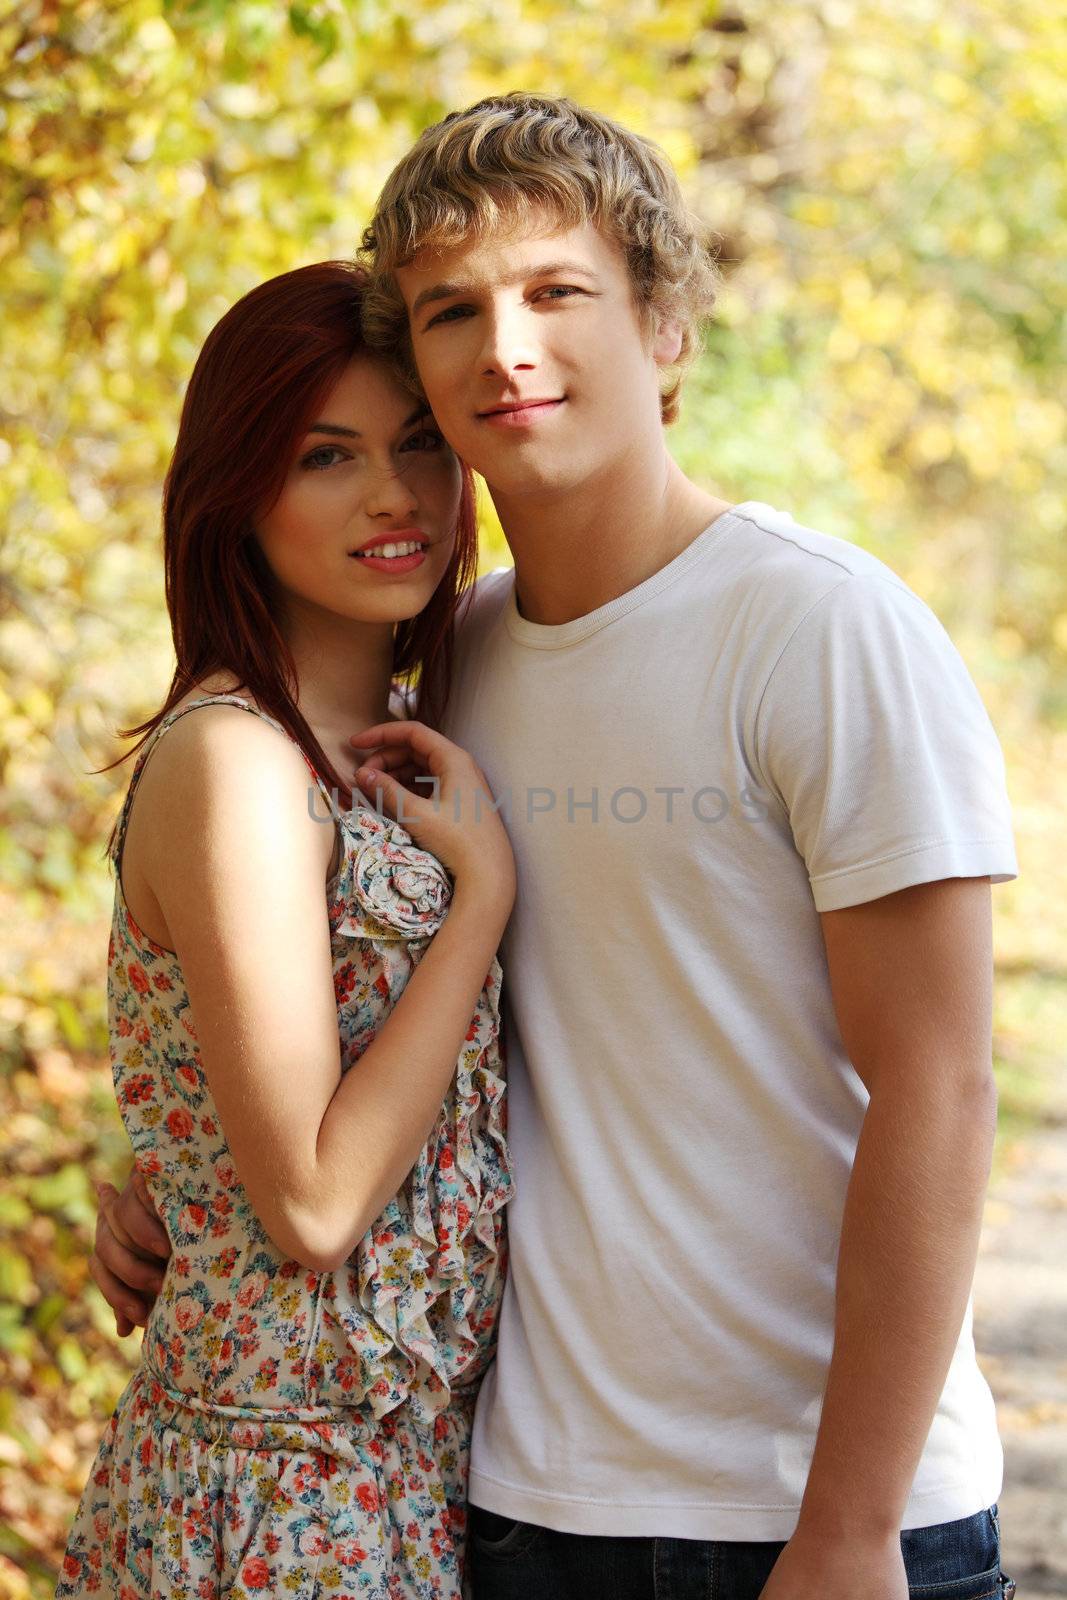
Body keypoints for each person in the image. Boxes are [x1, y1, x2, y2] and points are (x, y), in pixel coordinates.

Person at [93, 96, 1018, 1600]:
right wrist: (172, 1190)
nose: (502, 345)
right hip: (519, 1497)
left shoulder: (820, 628)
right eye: (453, 311)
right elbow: (320, 1030)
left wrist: (848, 1527)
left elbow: (945, 1081)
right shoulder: (448, 667)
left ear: (663, 331)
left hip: (816, 1511)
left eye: (557, 293)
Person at [59, 260, 515, 1600]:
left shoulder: (403, 731)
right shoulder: (237, 760)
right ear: (239, 491)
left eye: (422, 444)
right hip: (279, 1499)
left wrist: (164, 1180)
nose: (396, 495)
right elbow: (312, 1205)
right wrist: (478, 904)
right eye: (329, 456)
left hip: (411, 1473)